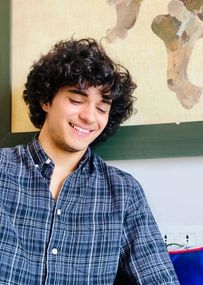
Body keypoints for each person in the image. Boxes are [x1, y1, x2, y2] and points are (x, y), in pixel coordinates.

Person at [0, 38, 179, 284]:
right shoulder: (2, 171)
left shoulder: (124, 192)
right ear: (46, 100)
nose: (88, 117)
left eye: (101, 108)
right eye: (76, 100)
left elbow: (159, 279)